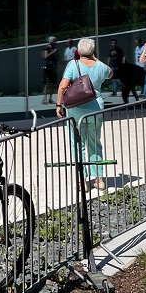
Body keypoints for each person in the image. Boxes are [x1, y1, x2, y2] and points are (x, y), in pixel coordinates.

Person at [55, 38, 111, 189]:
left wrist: (59, 105)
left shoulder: (73, 65)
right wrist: (96, 59)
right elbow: (110, 73)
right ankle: (99, 179)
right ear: (93, 51)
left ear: (78, 51)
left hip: (76, 110)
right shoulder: (100, 66)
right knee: (95, 143)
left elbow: (62, 86)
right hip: (95, 109)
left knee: (77, 144)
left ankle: (82, 181)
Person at [41, 36, 60, 104]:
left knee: (53, 83)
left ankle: (50, 98)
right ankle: (44, 99)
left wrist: (56, 56)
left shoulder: (55, 49)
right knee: (47, 83)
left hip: (53, 67)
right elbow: (45, 56)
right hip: (47, 67)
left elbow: (57, 57)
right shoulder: (47, 48)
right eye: (54, 42)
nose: (55, 43)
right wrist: (53, 52)